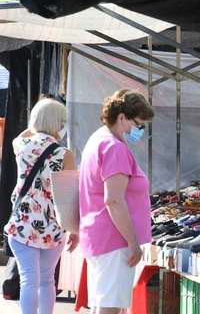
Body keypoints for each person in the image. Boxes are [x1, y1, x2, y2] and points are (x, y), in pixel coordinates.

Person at [79, 89, 154, 314]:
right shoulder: (115, 148)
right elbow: (114, 200)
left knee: (104, 304)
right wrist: (132, 241)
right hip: (114, 240)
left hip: (100, 236)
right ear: (122, 118)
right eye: (139, 124)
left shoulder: (99, 139)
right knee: (110, 307)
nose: (140, 131)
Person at [4, 98, 78, 314]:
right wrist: (75, 228)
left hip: (22, 224)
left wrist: (37, 124)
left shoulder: (21, 146)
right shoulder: (65, 154)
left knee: (29, 280)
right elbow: (71, 196)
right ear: (59, 123)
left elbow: (22, 135)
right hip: (52, 226)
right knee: (47, 281)